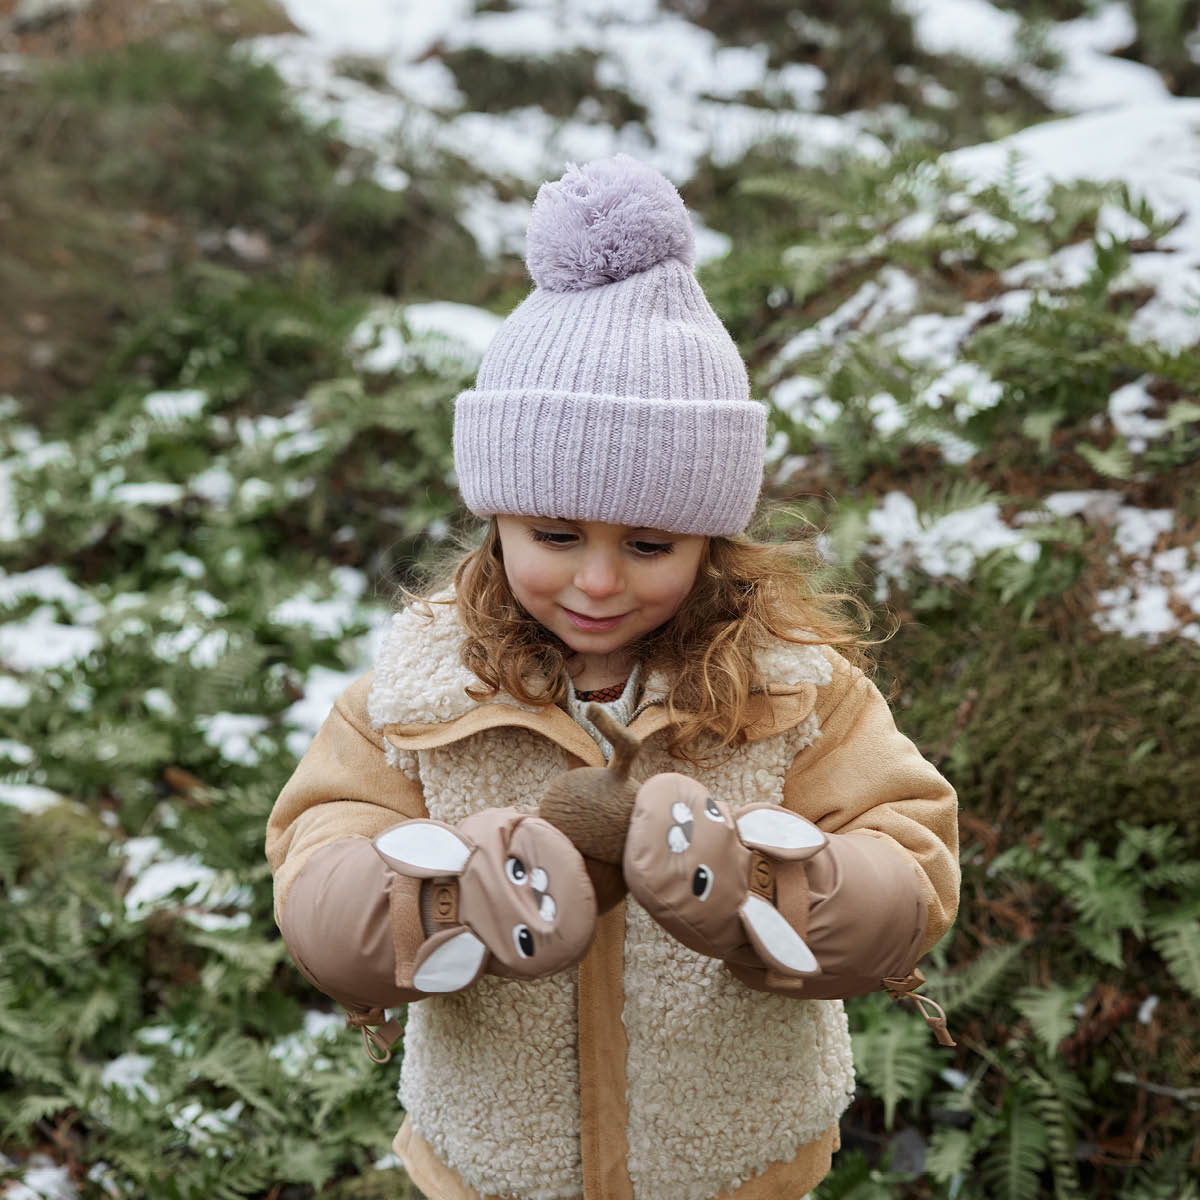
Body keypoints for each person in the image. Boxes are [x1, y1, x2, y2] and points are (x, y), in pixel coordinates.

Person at [265, 155, 959, 1200]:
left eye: (649, 544)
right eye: (554, 533)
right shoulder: (416, 700)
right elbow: (318, 898)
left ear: (713, 543)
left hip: (733, 1171)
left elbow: (910, 877)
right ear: (496, 518)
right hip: (496, 1173)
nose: (596, 580)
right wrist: (454, 894)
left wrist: (753, 885)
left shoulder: (795, 692)